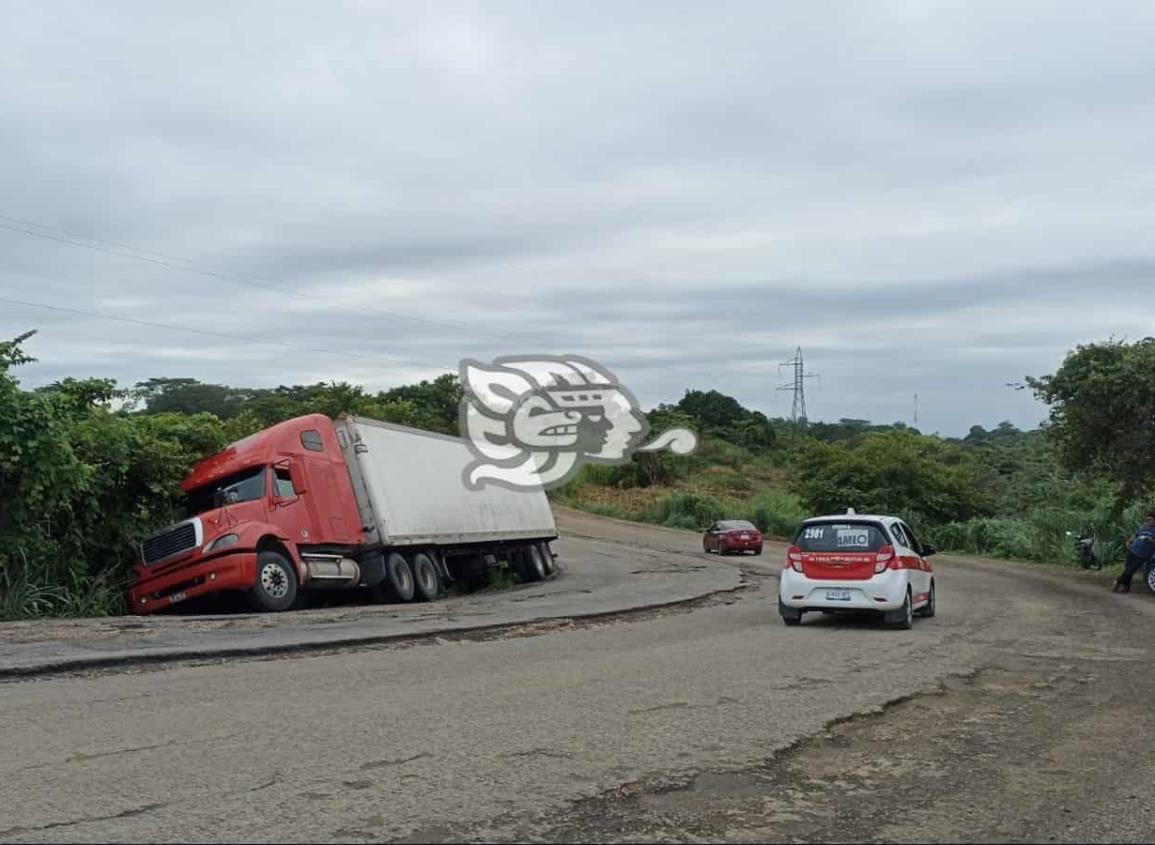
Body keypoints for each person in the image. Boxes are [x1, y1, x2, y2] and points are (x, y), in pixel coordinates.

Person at [1114, 511, 1155, 592]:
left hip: (1143, 554)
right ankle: (1126, 587)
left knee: (1131, 569)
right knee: (1128, 568)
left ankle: (1119, 580)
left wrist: (1152, 541)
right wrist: (1129, 542)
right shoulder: (1143, 528)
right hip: (1133, 550)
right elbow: (1135, 535)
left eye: (1150, 520)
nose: (1148, 522)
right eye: (1147, 520)